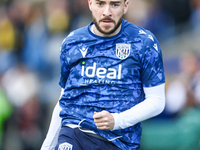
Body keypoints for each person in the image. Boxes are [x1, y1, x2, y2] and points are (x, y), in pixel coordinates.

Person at [41, 0, 165, 149]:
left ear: (125, 6)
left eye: (114, 4)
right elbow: (65, 100)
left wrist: (117, 120)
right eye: (100, 4)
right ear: (90, 4)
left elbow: (157, 101)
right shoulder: (72, 42)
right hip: (74, 134)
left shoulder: (144, 42)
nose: (107, 12)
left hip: (118, 141)